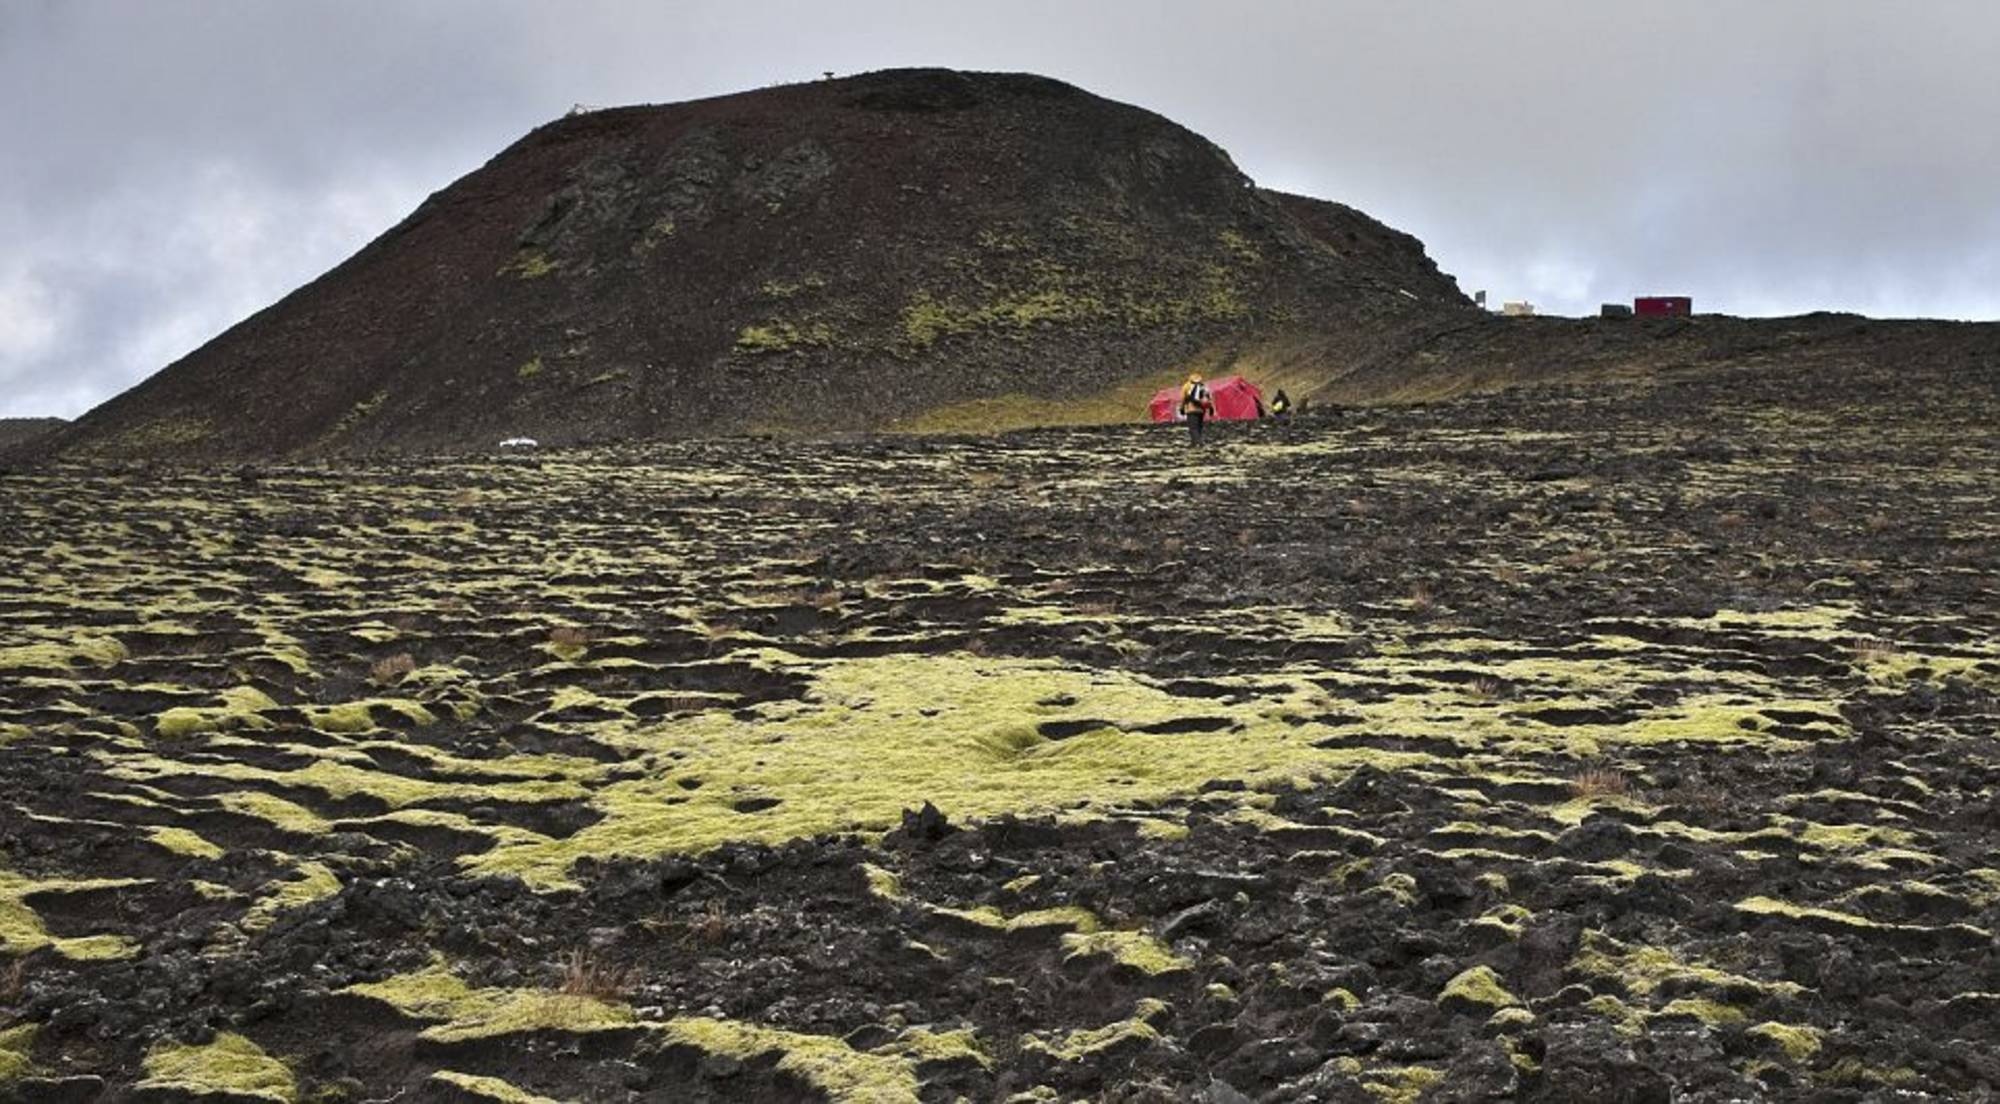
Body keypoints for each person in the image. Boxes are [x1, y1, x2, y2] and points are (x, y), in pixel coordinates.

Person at [1179, 372, 1215, 445]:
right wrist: (1211, 409)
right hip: (1201, 410)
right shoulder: (1204, 386)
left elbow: (1183, 399)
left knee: (1193, 428)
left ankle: (1197, 442)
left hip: (1191, 410)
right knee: (1199, 427)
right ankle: (1197, 441)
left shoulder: (1187, 386)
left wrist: (1182, 408)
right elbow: (1209, 399)